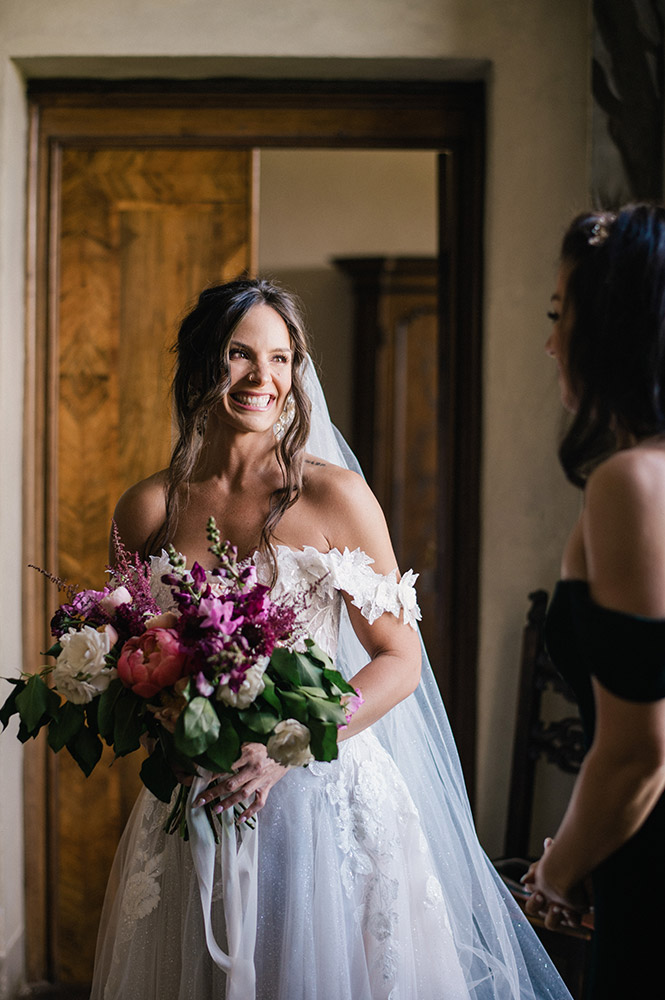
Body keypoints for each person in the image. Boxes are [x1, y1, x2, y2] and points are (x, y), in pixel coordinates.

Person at [90, 277, 571, 999]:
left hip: (325, 796)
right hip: (196, 801)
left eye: (281, 358)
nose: (263, 378)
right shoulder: (148, 507)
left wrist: (287, 744)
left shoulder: (332, 495)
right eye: (239, 355)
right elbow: (123, 656)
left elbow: (399, 660)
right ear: (199, 364)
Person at [524, 204, 665, 999]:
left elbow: (638, 753)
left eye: (559, 313)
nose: (551, 342)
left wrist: (557, 872)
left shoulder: (632, 483)